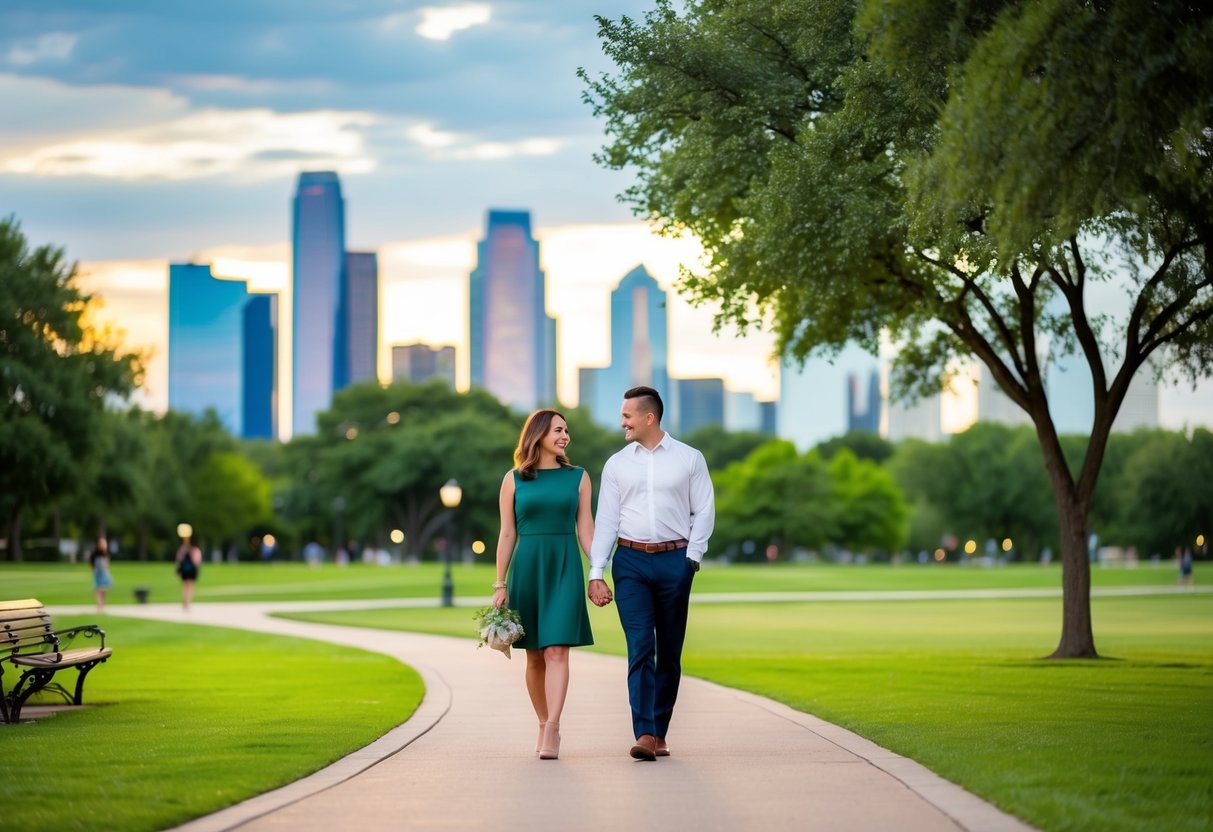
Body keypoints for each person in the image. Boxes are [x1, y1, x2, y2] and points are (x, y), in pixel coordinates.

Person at [588, 385, 715, 761]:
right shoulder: (616, 464)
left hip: (676, 561)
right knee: (641, 647)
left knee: (670, 652)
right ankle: (644, 733)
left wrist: (691, 559)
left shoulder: (690, 459)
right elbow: (607, 521)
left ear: (649, 417)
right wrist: (598, 570)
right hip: (630, 563)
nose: (621, 422)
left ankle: (660, 731)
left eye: (627, 416)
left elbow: (704, 510)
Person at [492, 408, 600, 760]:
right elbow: (507, 532)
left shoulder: (579, 477)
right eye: (557, 430)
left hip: (565, 566)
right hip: (528, 567)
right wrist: (499, 583)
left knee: (557, 650)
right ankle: (542, 722)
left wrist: (596, 570)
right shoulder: (513, 479)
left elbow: (586, 529)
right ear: (537, 434)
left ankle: (553, 726)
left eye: (566, 430)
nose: (564, 435)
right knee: (535, 656)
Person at [175, 535, 203, 610]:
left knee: (185, 585)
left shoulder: (182, 549)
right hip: (192, 570)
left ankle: (185, 602)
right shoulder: (194, 549)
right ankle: (188, 602)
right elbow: (197, 561)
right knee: (190, 586)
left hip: (184, 570)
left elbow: (179, 560)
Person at [90, 537, 113, 612]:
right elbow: (91, 563)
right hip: (98, 572)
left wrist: (108, 571)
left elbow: (107, 563)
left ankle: (102, 605)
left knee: (104, 589)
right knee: (98, 589)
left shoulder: (105, 553)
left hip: (104, 572)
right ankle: (99, 606)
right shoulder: (95, 553)